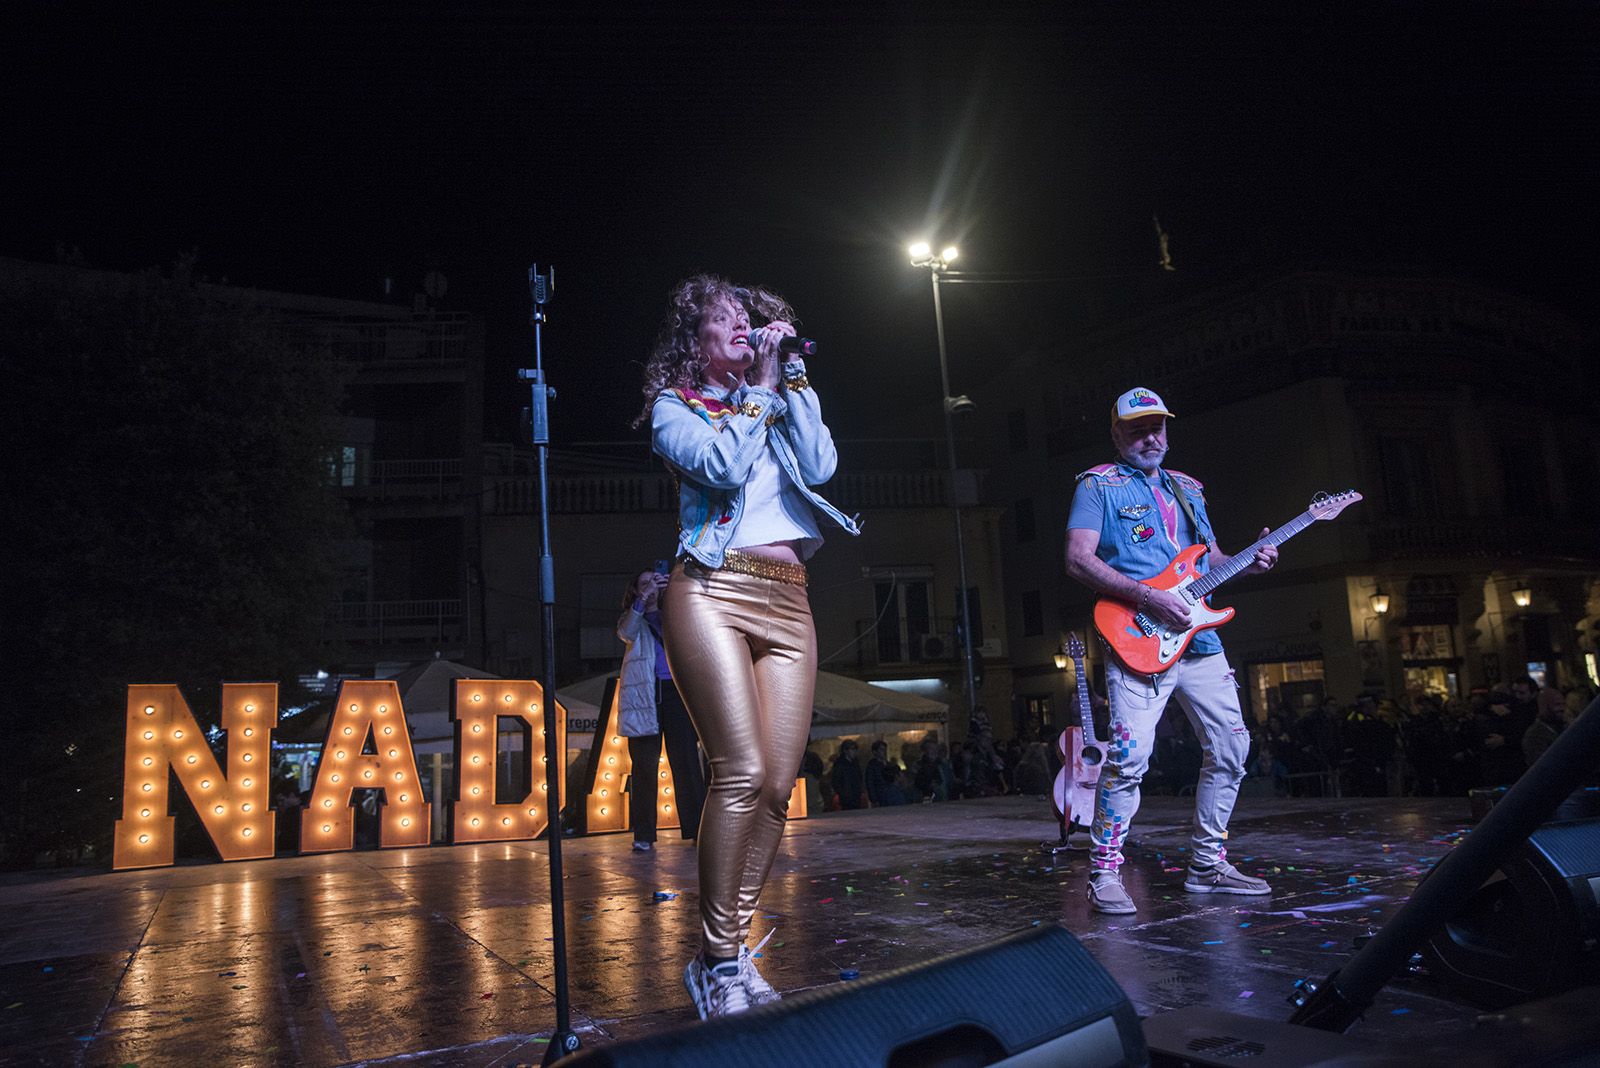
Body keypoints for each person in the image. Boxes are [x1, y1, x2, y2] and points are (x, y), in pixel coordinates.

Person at [639, 273, 861, 1019]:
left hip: (790, 598)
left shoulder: (777, 395)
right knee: (739, 773)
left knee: (777, 784)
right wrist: (761, 389)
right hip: (711, 587)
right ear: (693, 342)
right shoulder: (676, 409)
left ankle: (720, 957)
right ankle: (723, 958)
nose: (744, 327)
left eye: (750, 318)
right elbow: (724, 467)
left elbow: (823, 465)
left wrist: (790, 377)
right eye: (727, 320)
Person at [1064, 386, 1278, 914]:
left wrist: (1247, 562)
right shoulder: (1098, 486)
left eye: (1157, 426)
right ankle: (1105, 872)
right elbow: (1076, 559)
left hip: (1200, 641)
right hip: (1138, 639)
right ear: (1117, 434)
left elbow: (1208, 561)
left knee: (1232, 750)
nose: (1151, 437)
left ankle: (1207, 865)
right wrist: (1146, 597)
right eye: (1137, 428)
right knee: (1130, 758)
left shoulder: (1189, 488)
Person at [615, 566, 708, 852]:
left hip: (676, 692)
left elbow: (695, 631)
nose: (650, 586)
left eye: (654, 581)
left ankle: (696, 829)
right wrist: (642, 601)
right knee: (643, 767)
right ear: (635, 589)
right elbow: (626, 633)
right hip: (644, 696)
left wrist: (676, 589)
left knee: (687, 763)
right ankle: (643, 834)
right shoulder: (633, 618)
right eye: (644, 583)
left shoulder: (674, 613)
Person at [830, 739, 867, 809]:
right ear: (845, 750)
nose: (854, 752)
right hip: (846, 798)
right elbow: (835, 781)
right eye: (852, 749)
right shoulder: (840, 764)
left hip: (856, 795)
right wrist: (843, 793)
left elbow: (859, 777)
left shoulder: (855, 763)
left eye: (855, 749)